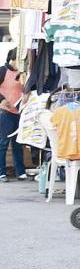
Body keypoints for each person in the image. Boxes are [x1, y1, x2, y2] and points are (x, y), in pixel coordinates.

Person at [0, 48, 26, 182]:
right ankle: (1, 172)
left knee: (18, 143)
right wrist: (2, 99)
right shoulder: (3, 70)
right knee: (3, 143)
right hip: (5, 112)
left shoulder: (23, 73)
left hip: (19, 112)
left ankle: (20, 172)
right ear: (14, 59)